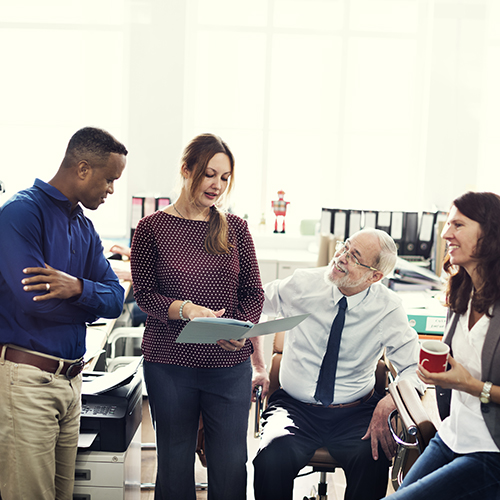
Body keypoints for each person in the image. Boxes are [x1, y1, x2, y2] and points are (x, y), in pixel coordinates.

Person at [130, 133, 268, 500]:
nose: (217, 186)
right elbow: (144, 295)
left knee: (230, 464)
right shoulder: (151, 228)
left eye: (224, 178)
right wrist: (185, 309)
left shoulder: (235, 228)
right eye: (209, 174)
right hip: (170, 364)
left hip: (228, 364)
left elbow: (254, 292)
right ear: (186, 170)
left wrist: (240, 329)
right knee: (174, 466)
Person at [0, 127, 128, 500]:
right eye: (109, 179)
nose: (111, 190)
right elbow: (34, 302)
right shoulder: (20, 215)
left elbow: (115, 299)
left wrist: (76, 287)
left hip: (72, 384)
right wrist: (89, 300)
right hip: (28, 385)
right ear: (83, 169)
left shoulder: (84, 227)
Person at [253, 228, 423, 500]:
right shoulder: (303, 283)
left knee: (373, 460)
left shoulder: (388, 308)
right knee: (272, 457)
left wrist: (391, 399)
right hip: (294, 408)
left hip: (355, 413)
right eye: (345, 247)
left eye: (354, 256)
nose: (341, 257)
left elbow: (414, 367)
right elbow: (254, 304)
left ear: (375, 276)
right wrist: (258, 366)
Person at [385, 191, 500, 500]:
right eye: (447, 224)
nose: (445, 234)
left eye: (458, 225)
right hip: (451, 436)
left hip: (491, 450)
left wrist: (474, 386)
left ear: (490, 232)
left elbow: (472, 382)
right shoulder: (463, 293)